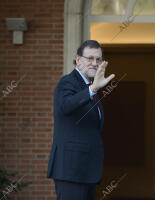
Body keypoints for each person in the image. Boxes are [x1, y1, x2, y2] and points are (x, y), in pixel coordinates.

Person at [47, 40, 115, 200]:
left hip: (85, 169)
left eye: (98, 59)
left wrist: (92, 88)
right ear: (78, 60)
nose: (94, 63)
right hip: (71, 169)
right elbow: (66, 106)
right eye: (89, 58)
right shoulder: (68, 82)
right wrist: (92, 89)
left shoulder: (89, 86)